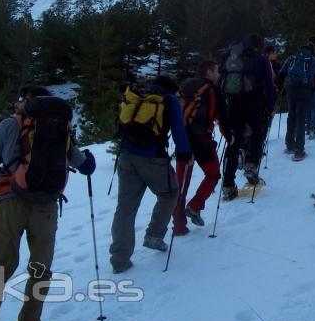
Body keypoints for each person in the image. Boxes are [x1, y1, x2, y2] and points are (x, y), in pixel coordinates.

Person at [0, 85, 96, 321]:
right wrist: (89, 161)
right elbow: (85, 167)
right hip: (46, 205)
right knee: (40, 269)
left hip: (11, 200)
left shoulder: (10, 125)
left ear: (25, 101)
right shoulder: (60, 128)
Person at [109, 74, 191, 273]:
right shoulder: (168, 100)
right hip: (152, 158)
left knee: (125, 208)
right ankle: (154, 235)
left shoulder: (138, 97)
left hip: (126, 157)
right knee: (170, 193)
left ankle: (119, 259)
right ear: (171, 89)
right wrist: (185, 154)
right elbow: (179, 131)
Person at [172, 60, 230, 235]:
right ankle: (195, 206)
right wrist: (231, 137)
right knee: (213, 174)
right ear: (209, 72)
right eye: (216, 71)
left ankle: (179, 226)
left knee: (181, 183)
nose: (219, 74)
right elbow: (224, 118)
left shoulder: (187, 86)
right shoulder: (213, 91)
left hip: (182, 139)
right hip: (201, 140)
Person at [219, 34, 276, 199]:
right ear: (258, 45)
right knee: (258, 134)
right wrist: (270, 106)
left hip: (233, 104)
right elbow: (268, 84)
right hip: (254, 104)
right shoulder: (260, 59)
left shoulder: (230, 58)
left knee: (233, 143)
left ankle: (228, 185)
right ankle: (251, 165)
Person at [276, 43, 315, 160]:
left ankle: (289, 145)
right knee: (301, 118)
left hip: (291, 89)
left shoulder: (292, 58)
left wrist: (281, 87)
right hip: (304, 91)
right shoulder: (314, 60)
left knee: (291, 115)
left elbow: (282, 72)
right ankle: (299, 151)